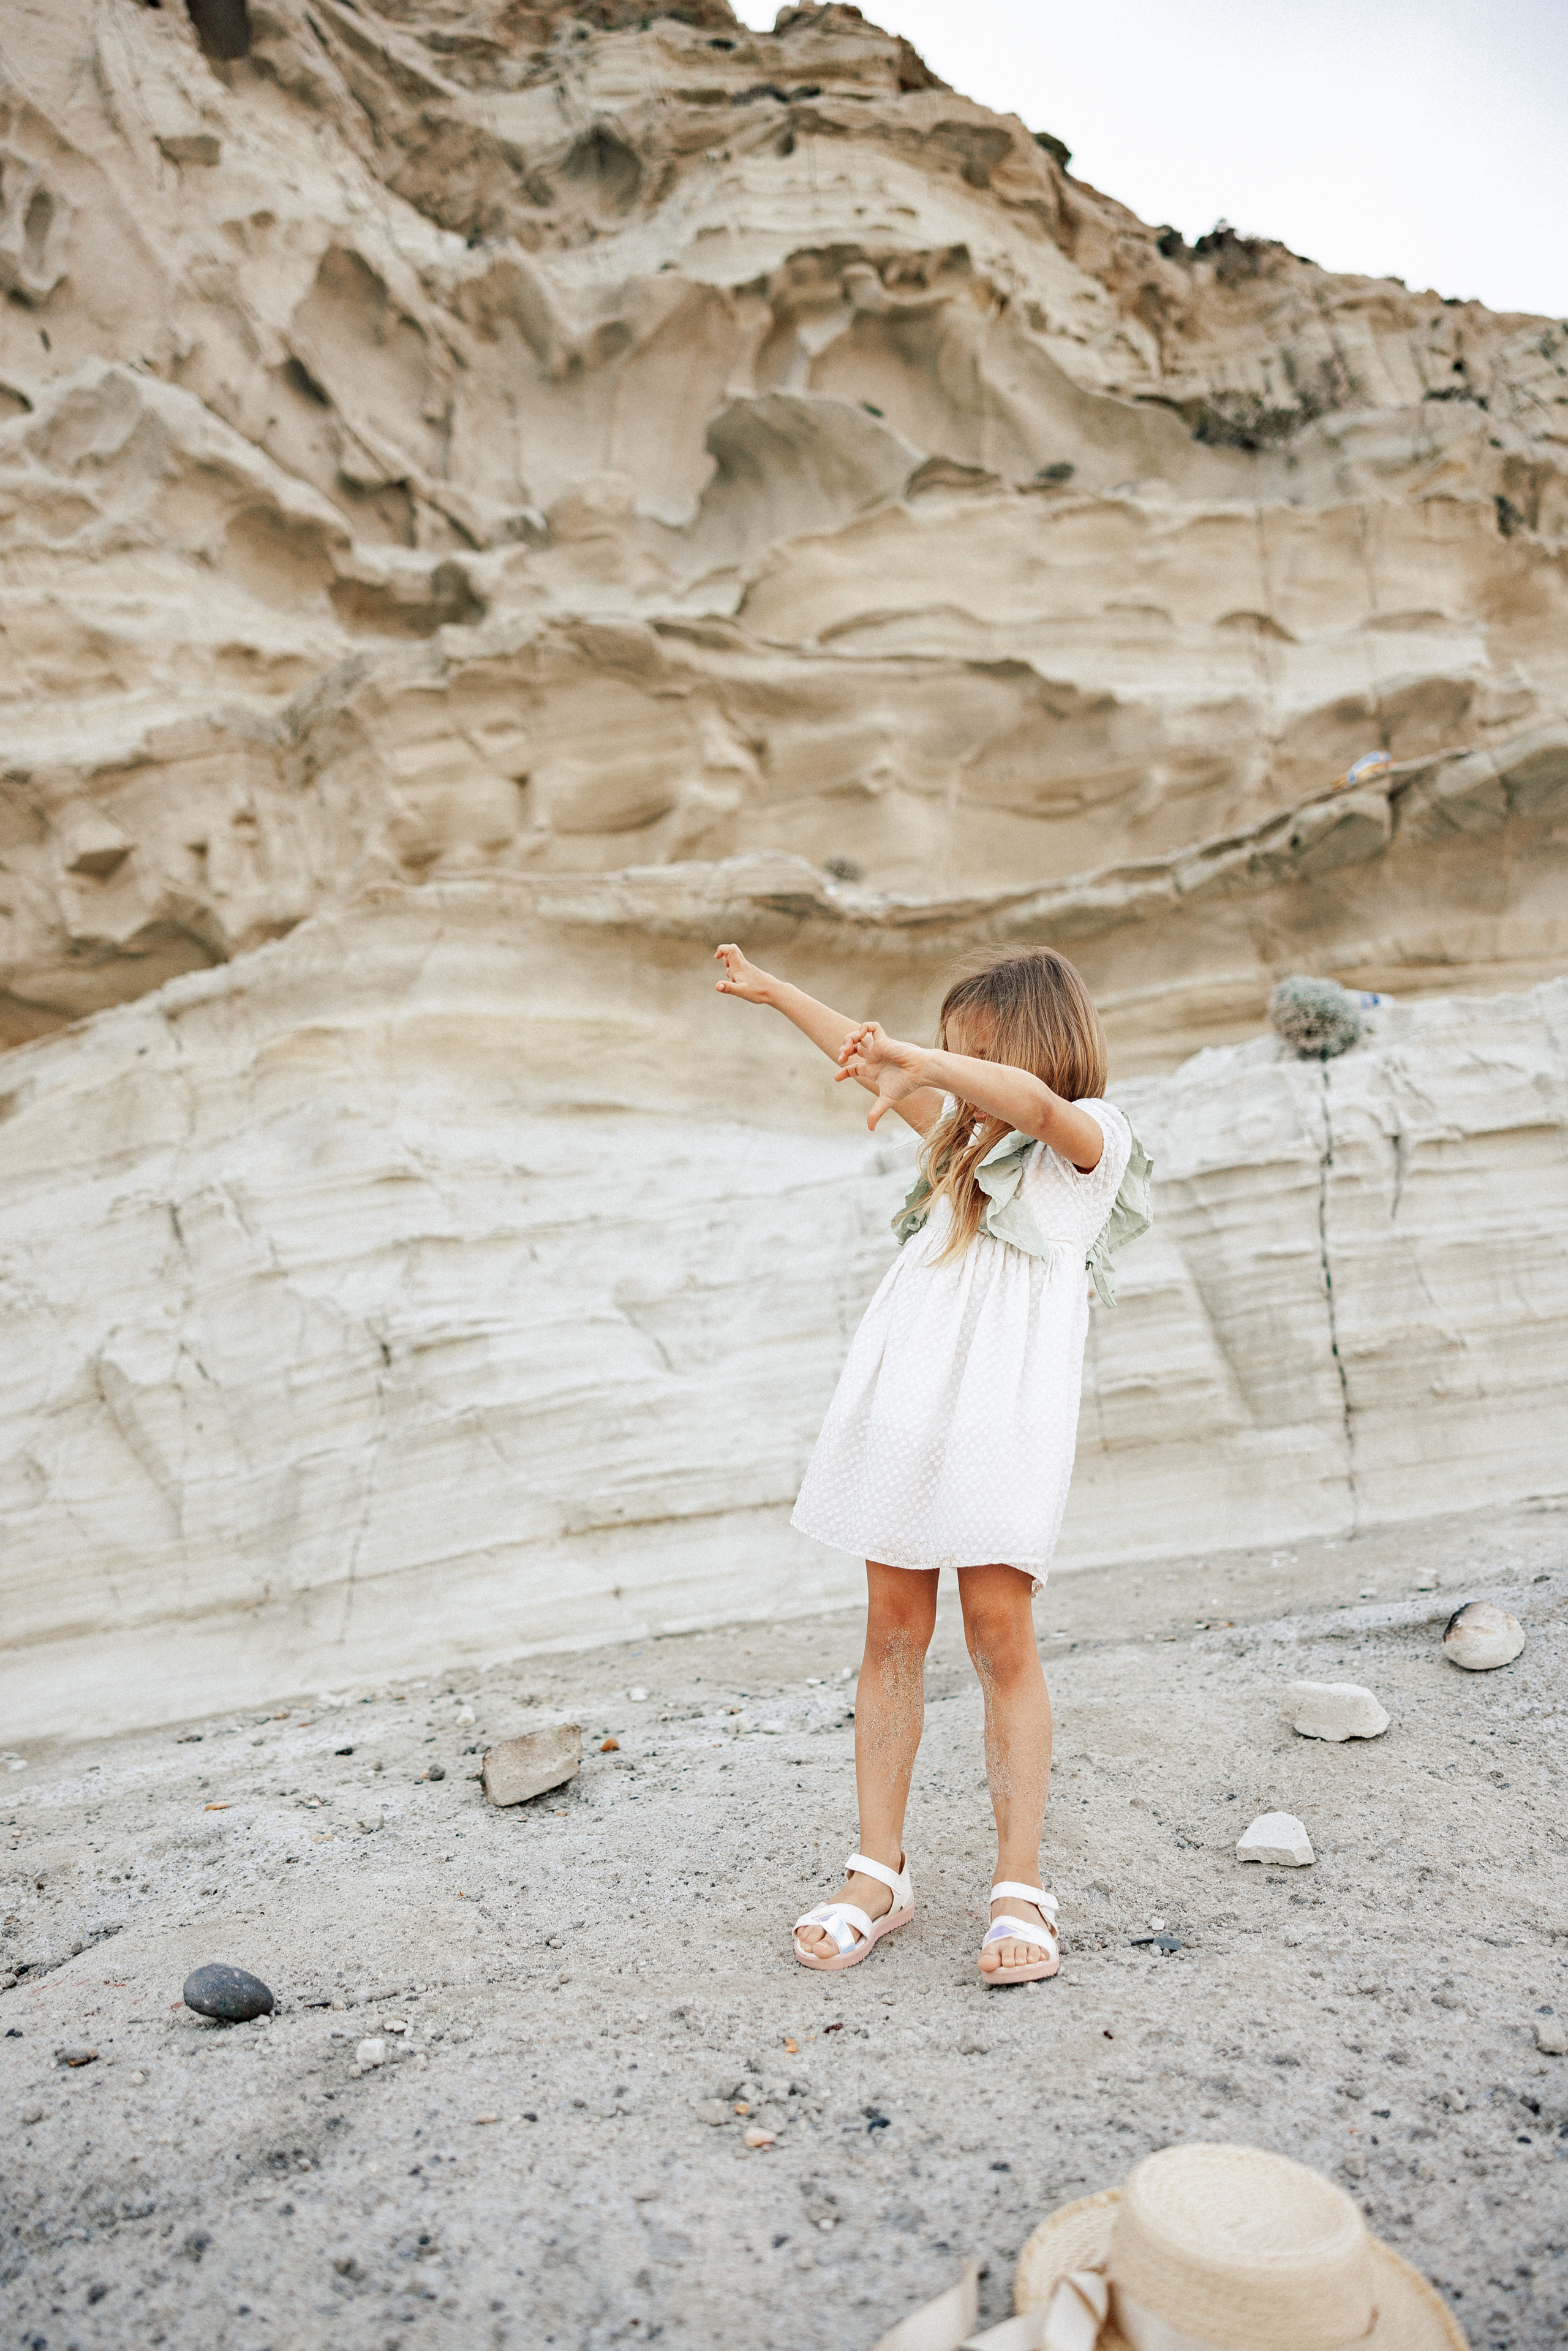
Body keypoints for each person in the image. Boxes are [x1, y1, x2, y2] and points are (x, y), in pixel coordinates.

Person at [713, 941, 1137, 1987]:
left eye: (967, 1052)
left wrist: (932, 1067)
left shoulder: (1086, 1151)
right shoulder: (959, 1151)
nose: (943, 1070)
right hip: (906, 1410)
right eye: (944, 1054)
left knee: (1001, 1635)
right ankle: (879, 1871)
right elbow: (866, 1059)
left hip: (1002, 1428)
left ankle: (1020, 1883)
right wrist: (780, 995)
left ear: (1029, 1046)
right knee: (891, 1629)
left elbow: (1035, 1106)